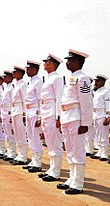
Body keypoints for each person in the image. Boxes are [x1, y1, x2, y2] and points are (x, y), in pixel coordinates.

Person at [57, 49, 93, 195]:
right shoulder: (71, 78)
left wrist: (86, 122)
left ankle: (78, 183)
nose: (67, 63)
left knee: (77, 151)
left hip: (77, 117)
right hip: (67, 116)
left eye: (69, 60)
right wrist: (60, 117)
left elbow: (87, 101)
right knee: (70, 150)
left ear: (77, 62)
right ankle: (72, 179)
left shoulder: (83, 78)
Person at [37, 54, 64, 181]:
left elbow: (59, 98)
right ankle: (52, 169)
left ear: (51, 64)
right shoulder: (48, 78)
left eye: (46, 62)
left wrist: (59, 117)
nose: (44, 64)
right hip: (46, 112)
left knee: (55, 143)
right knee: (49, 143)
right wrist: (41, 116)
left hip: (53, 113)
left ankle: (56, 171)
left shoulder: (57, 79)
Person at [23, 60, 43, 172]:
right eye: (26, 69)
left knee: (36, 137)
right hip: (29, 111)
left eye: (29, 69)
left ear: (35, 69)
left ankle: (38, 162)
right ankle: (34, 160)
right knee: (30, 137)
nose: (27, 71)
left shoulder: (38, 81)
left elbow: (40, 99)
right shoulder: (31, 82)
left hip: (35, 111)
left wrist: (40, 115)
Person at [10, 66, 28, 165]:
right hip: (15, 110)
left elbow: (25, 99)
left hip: (20, 110)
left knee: (21, 134)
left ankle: (23, 156)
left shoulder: (23, 84)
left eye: (15, 72)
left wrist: (25, 114)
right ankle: (20, 154)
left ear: (20, 74)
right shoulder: (16, 85)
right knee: (17, 134)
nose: (13, 74)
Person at [90, 74, 110, 161]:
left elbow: (108, 104)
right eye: (95, 81)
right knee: (97, 135)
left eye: (97, 81)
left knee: (103, 135)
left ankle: (105, 153)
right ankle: (100, 151)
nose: (95, 82)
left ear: (103, 81)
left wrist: (108, 116)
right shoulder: (96, 91)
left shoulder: (106, 91)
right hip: (95, 114)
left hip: (102, 114)